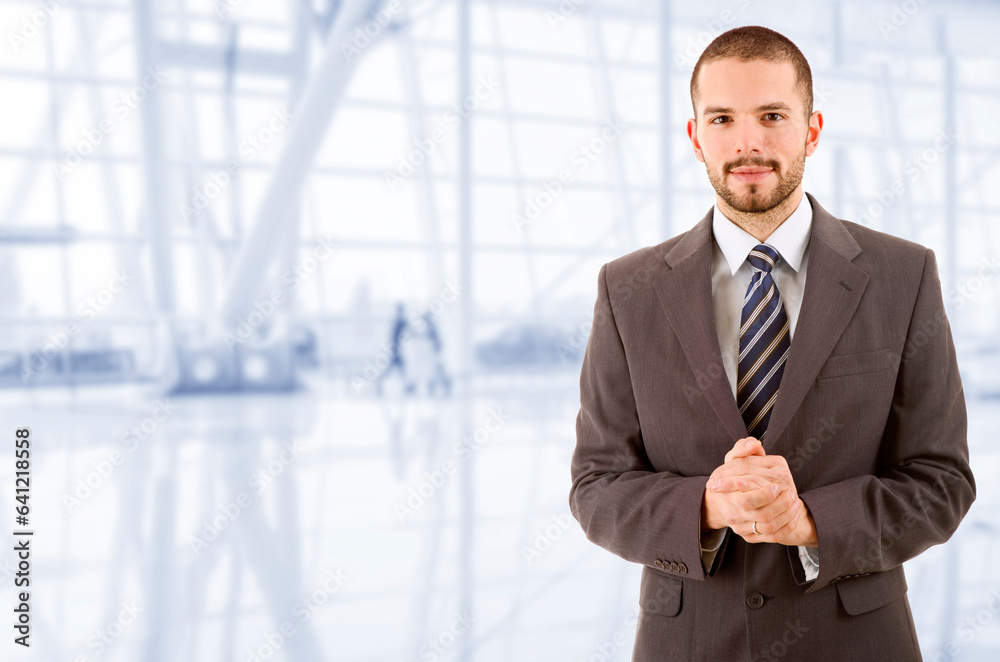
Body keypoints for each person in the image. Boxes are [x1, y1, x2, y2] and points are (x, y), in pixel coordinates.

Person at [568, 26, 975, 661]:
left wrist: (813, 522)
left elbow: (941, 481)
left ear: (811, 130)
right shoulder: (629, 290)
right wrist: (704, 504)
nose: (748, 141)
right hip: (690, 643)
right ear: (695, 135)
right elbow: (596, 486)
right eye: (723, 118)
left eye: (772, 116)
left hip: (857, 642)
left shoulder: (903, 276)